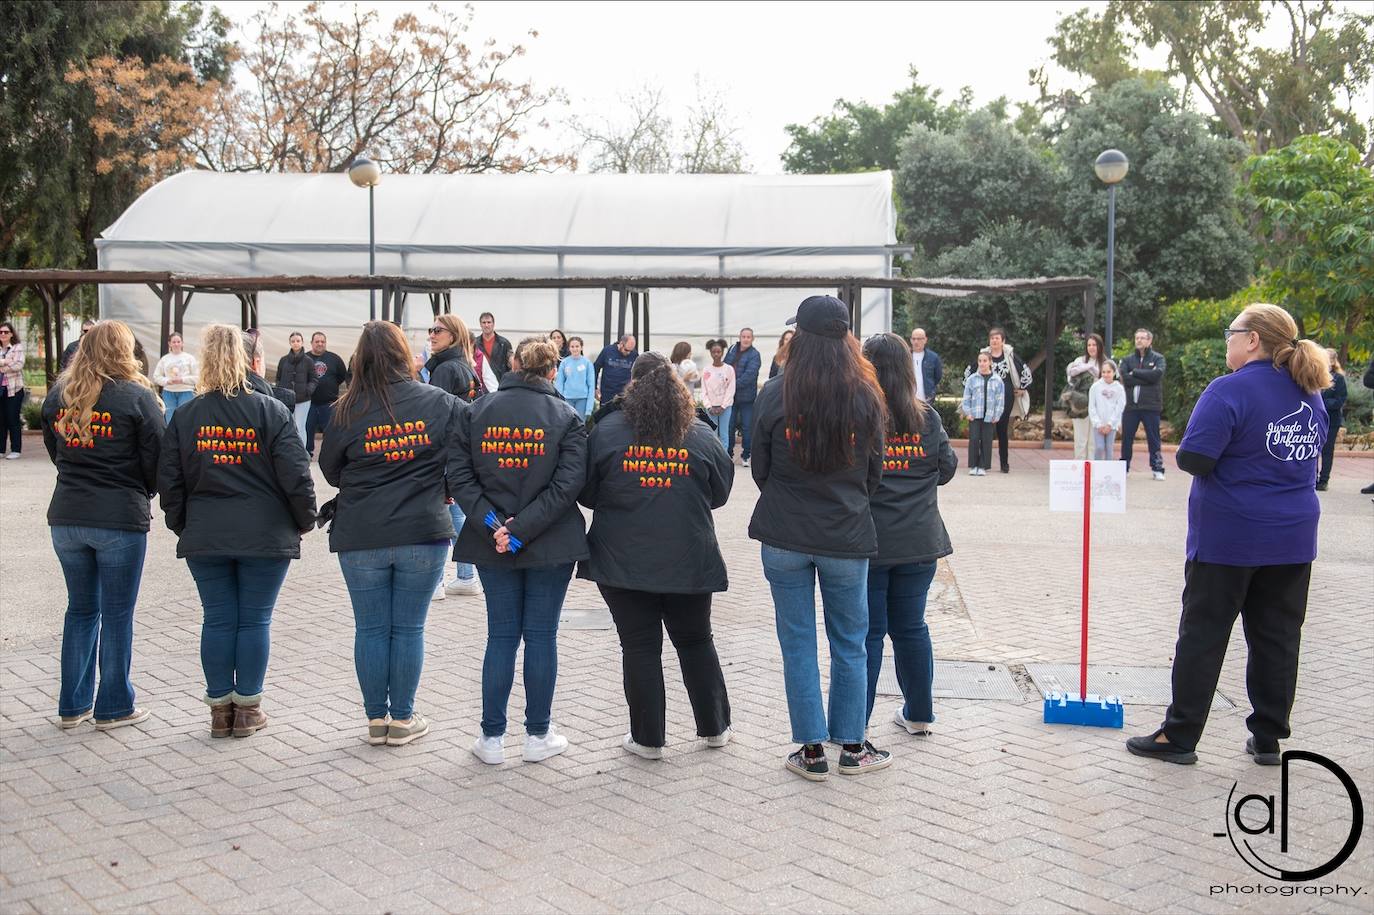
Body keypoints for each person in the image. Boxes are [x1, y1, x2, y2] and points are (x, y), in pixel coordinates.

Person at [1126, 303, 1330, 766]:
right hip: (1293, 538)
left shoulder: (1229, 390)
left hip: (1230, 539)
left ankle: (1179, 736)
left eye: (1231, 333)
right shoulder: (1309, 393)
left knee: (1203, 634)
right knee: (1277, 637)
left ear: (1253, 339)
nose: (1228, 341)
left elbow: (1194, 458)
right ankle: (1267, 737)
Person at [750, 295, 891, 780]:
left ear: (801, 338)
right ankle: (852, 746)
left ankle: (811, 752)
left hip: (784, 534)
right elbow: (874, 475)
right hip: (846, 535)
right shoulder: (867, 395)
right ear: (848, 339)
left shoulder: (774, 393)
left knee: (797, 643)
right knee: (850, 642)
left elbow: (761, 469)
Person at [157, 324, 316, 738]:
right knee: (254, 620)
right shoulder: (271, 411)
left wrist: (183, 525)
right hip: (265, 534)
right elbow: (296, 475)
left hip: (206, 533)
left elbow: (169, 482)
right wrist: (304, 520)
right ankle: (247, 709)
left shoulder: (187, 415)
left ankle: (219, 711)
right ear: (249, 359)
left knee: (218, 618)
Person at [579, 353, 735, 758]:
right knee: (696, 639)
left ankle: (648, 740)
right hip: (689, 556)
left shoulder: (607, 431)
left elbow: (587, 492)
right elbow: (720, 494)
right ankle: (715, 727)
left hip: (622, 559)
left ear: (630, 386)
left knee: (639, 646)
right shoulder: (700, 434)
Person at [319, 321, 466, 748]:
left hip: (362, 532)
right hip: (423, 530)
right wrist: (446, 488)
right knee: (407, 629)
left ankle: (375, 719)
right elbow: (463, 457)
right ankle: (402, 718)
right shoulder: (440, 402)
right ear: (405, 355)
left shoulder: (346, 409)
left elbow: (330, 470)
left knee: (370, 629)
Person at [451, 336, 588, 766]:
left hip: (494, 542)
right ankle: (537, 736)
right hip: (548, 542)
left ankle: (491, 739)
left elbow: (459, 476)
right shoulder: (567, 417)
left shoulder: (476, 411)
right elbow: (568, 486)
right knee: (542, 637)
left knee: (502, 636)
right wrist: (520, 530)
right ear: (553, 371)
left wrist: (498, 527)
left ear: (512, 363)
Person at [41, 320, 165, 731]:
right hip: (118, 518)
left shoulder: (61, 395)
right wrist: (142, 490)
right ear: (123, 350)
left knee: (80, 609)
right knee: (116, 614)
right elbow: (157, 459)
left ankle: (72, 705)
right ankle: (114, 705)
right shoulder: (136, 397)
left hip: (67, 516)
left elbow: (54, 449)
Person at [861, 333, 956, 740]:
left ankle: (855, 722)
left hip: (872, 544)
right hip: (920, 543)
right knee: (911, 627)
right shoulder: (928, 418)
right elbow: (947, 468)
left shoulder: (860, 419)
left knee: (868, 634)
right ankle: (919, 714)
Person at [423, 314, 483, 598]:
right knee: (456, 510)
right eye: (431, 329)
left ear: (454, 335)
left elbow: (435, 412)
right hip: (459, 447)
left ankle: (436, 582)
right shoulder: (463, 365)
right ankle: (466, 575)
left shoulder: (446, 369)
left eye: (438, 330)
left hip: (445, 449)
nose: (432, 334)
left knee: (442, 513)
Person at [963, 327, 1031, 473]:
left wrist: (1022, 388)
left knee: (1002, 431)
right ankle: (979, 463)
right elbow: (968, 374)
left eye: (997, 338)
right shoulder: (984, 356)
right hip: (982, 402)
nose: (994, 341)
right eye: (992, 338)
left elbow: (1025, 372)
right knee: (981, 432)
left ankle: (1004, 463)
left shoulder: (1010, 356)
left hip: (1004, 399)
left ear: (1003, 341)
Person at [1119, 328, 1167, 480]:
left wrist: (1136, 372)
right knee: (1127, 438)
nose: (1139, 340)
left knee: (1153, 438)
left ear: (1149, 341)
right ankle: (1124, 467)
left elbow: (1156, 375)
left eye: (1142, 338)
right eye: (1137, 337)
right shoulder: (1127, 360)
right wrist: (1146, 376)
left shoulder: (1158, 358)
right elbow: (1125, 378)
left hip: (1151, 406)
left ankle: (1157, 468)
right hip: (1130, 407)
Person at [304, 331, 349, 459]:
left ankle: (330, 455)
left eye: (322, 342)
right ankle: (307, 454)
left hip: (329, 403)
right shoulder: (304, 358)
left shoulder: (335, 359)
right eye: (317, 341)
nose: (320, 344)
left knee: (331, 432)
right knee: (307, 429)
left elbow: (341, 376)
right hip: (309, 403)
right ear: (311, 343)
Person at [960, 352, 1004, 476]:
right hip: (975, 414)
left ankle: (983, 466)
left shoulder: (997, 380)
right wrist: (967, 412)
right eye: (980, 361)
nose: (982, 363)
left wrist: (997, 414)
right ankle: (973, 465)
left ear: (990, 362)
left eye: (985, 361)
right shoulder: (972, 379)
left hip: (989, 416)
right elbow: (966, 397)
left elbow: (1000, 399)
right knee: (974, 439)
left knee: (986, 440)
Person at [1063, 334, 1106, 460]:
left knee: (1094, 441)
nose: (1091, 347)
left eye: (1094, 345)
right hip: (1081, 404)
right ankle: (1080, 469)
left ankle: (1091, 469)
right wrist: (1086, 367)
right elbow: (1071, 379)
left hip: (1098, 406)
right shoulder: (1079, 361)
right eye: (1089, 345)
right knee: (1081, 440)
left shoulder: (1106, 363)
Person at [724, 328, 761, 466]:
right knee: (730, 425)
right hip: (730, 398)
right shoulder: (733, 349)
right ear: (740, 337)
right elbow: (725, 366)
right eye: (743, 336)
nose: (746, 339)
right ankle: (728, 453)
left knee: (747, 427)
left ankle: (746, 455)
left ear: (752, 339)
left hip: (747, 398)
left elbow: (749, 376)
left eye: (748, 337)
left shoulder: (755, 355)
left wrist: (731, 384)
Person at [276, 332, 317, 443]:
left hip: (303, 400)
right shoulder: (283, 360)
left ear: (302, 342)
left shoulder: (308, 360)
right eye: (293, 341)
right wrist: (280, 390)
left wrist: (307, 391)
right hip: (286, 399)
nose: (295, 343)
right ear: (290, 343)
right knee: (287, 426)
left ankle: (302, 451)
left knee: (300, 426)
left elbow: (314, 379)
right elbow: (278, 378)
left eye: (298, 341)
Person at [1316, 349, 1346, 492]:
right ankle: (1312, 478)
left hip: (1331, 421)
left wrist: (1321, 402)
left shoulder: (1338, 379)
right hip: (1315, 420)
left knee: (1327, 450)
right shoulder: (1314, 376)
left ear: (1333, 361)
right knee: (1314, 450)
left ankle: (1324, 480)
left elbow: (1340, 400)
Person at [151, 332, 198, 421]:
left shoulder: (189, 358)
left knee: (185, 418)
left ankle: (184, 435)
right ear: (169, 344)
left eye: (178, 341)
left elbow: (198, 377)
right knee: (170, 419)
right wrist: (167, 381)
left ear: (182, 343)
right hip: (169, 392)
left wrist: (182, 380)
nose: (176, 344)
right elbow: (156, 376)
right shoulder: (165, 359)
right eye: (174, 342)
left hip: (186, 392)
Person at [700, 339, 735, 452]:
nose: (716, 354)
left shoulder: (729, 369)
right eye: (713, 352)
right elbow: (704, 390)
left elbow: (731, 389)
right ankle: (713, 456)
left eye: (718, 352)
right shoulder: (706, 370)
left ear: (722, 352)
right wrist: (709, 406)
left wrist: (723, 406)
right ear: (710, 353)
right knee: (712, 433)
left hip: (725, 407)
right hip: (711, 408)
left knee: (724, 434)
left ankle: (724, 457)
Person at [1088, 361, 1126, 461]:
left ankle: (1108, 473)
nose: (1106, 374)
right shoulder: (1095, 387)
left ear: (1114, 372)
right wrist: (1098, 423)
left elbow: (1119, 407)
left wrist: (1110, 424)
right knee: (1099, 447)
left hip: (1111, 425)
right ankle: (1096, 469)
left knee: (1109, 449)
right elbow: (1092, 407)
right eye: (1103, 372)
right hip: (1099, 425)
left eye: (1108, 372)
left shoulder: (1119, 388)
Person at [0, 321, 25, 459]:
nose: (3, 334)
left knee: (12, 418)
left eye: (6, 332)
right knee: (1, 420)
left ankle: (16, 449)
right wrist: (6, 362)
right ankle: (1, 449)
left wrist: (2, 364)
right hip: (1, 390)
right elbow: (11, 364)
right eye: (1, 332)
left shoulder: (17, 348)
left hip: (14, 390)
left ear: (11, 334)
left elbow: (18, 365)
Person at [556, 336, 595, 418]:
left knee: (580, 425)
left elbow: (591, 385)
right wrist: (560, 401)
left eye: (577, 346)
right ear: (569, 348)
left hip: (582, 399)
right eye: (572, 346)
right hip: (567, 399)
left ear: (581, 347)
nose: (575, 349)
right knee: (567, 424)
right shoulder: (564, 362)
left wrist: (589, 408)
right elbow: (559, 383)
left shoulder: (587, 363)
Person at [594, 334, 638, 406]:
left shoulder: (634, 355)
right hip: (607, 393)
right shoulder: (607, 351)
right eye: (626, 350)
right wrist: (595, 388)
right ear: (621, 344)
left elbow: (638, 373)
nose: (628, 353)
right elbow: (596, 368)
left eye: (631, 350)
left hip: (625, 394)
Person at [473, 312, 513, 381]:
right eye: (484, 322)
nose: (486, 325)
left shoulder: (504, 343)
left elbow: (511, 366)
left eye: (489, 322)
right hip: (481, 385)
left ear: (493, 324)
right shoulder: (475, 343)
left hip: (500, 383)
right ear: (480, 324)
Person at [908, 327, 943, 403]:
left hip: (927, 400)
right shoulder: (905, 356)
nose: (916, 342)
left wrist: (930, 388)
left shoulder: (933, 357)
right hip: (908, 399)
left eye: (919, 339)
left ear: (925, 340)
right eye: (913, 339)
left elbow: (938, 376)